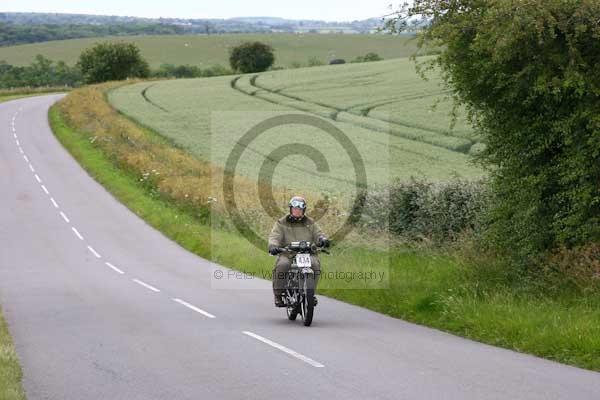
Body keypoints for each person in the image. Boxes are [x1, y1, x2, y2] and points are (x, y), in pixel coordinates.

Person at [268, 196, 329, 307]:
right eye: (295, 208)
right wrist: (273, 246)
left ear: (303, 210)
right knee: (283, 264)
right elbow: (275, 236)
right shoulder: (281, 223)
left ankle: (310, 294)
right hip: (288, 253)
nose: (297, 210)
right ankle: (278, 295)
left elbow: (318, 234)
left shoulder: (310, 223)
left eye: (300, 209)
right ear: (291, 209)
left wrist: (322, 240)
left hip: (307, 253)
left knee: (315, 264)